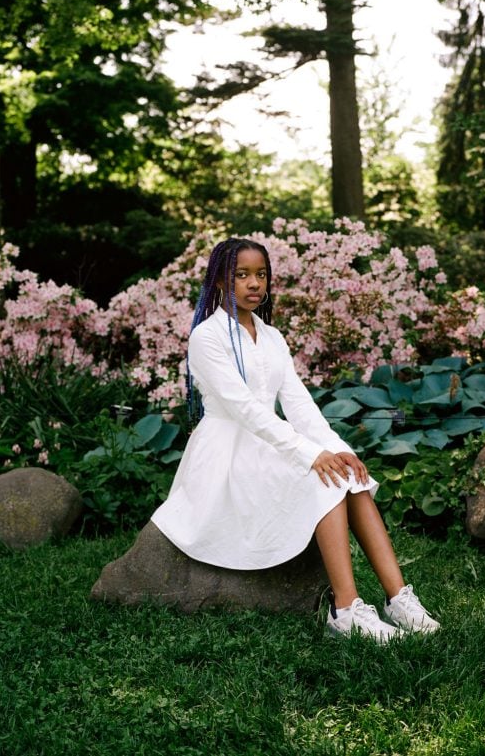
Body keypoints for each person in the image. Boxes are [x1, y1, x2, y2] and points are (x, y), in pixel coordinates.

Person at [151, 237, 440, 642]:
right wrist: (309, 454)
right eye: (242, 275)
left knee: (349, 476)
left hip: (269, 443)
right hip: (229, 454)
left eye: (261, 274)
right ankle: (345, 610)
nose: (255, 283)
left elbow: (299, 405)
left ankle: (399, 598)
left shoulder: (271, 337)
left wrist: (338, 449)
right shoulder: (207, 337)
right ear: (219, 280)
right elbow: (246, 411)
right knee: (318, 478)